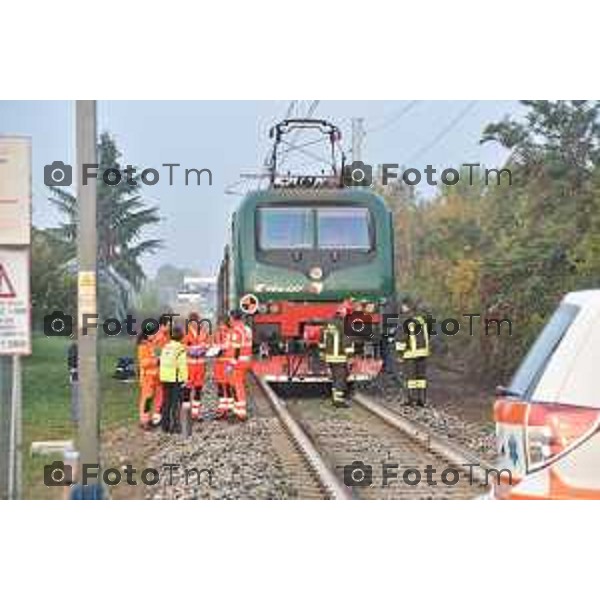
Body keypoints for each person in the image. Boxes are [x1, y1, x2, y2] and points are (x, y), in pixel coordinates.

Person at [159, 325, 188, 434]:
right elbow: (182, 366)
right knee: (176, 403)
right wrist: (185, 380)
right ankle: (176, 426)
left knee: (166, 402)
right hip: (175, 379)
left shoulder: (166, 347)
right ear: (181, 336)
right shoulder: (180, 349)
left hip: (164, 378)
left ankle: (165, 426)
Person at [184, 312, 210, 421]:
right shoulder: (185, 332)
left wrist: (204, 348)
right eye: (193, 321)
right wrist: (190, 350)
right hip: (189, 365)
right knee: (187, 390)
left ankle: (196, 414)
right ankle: (186, 413)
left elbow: (209, 344)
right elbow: (181, 346)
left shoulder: (204, 332)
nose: (195, 323)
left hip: (200, 365)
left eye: (197, 321)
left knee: (198, 389)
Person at [229, 310, 253, 421]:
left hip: (238, 362)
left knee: (237, 385)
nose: (230, 320)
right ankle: (237, 409)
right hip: (246, 360)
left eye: (230, 318)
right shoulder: (247, 329)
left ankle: (241, 413)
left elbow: (236, 349)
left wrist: (232, 363)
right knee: (237, 384)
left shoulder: (236, 331)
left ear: (233, 318)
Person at [149, 314, 172, 426]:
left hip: (160, 369)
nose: (170, 327)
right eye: (169, 325)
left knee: (161, 394)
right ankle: (157, 417)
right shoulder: (160, 338)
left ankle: (158, 416)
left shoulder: (163, 336)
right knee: (160, 394)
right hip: (160, 370)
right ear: (163, 325)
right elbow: (158, 356)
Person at [136, 330, 159, 429]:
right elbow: (143, 363)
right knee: (147, 399)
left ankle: (148, 419)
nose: (154, 335)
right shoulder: (142, 347)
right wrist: (156, 361)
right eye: (152, 334)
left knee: (150, 399)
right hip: (147, 378)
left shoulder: (150, 345)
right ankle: (144, 421)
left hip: (152, 377)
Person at [214, 317, 235, 419]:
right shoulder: (217, 334)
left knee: (227, 385)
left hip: (227, 363)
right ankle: (223, 407)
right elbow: (213, 345)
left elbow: (231, 348)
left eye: (222, 324)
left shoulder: (231, 334)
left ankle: (229, 408)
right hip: (219, 363)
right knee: (220, 385)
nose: (221, 326)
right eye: (220, 324)